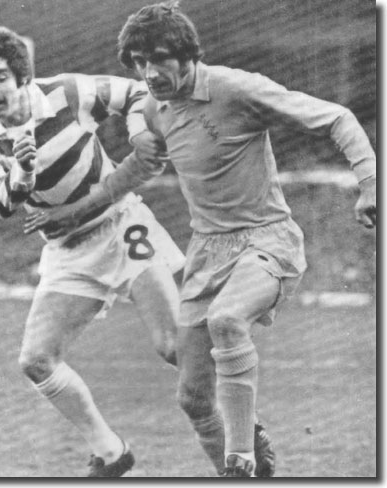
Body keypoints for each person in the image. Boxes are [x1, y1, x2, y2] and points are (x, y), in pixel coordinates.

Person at [27, 2, 377, 477]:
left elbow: (336, 118)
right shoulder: (155, 109)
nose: (149, 72)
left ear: (188, 55)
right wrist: (74, 212)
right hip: (206, 254)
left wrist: (371, 184)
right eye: (138, 62)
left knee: (228, 320)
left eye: (159, 59)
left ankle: (242, 461)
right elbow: (131, 174)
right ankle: (239, 475)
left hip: (265, 242)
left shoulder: (235, 87)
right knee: (192, 398)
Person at [0, 26, 186, 477]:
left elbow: (138, 92)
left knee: (173, 346)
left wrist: (138, 130)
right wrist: (22, 173)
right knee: (36, 361)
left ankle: (244, 426)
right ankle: (111, 452)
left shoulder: (67, 92)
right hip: (66, 247)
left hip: (120, 225)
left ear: (22, 76)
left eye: (1, 76)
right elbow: (2, 204)